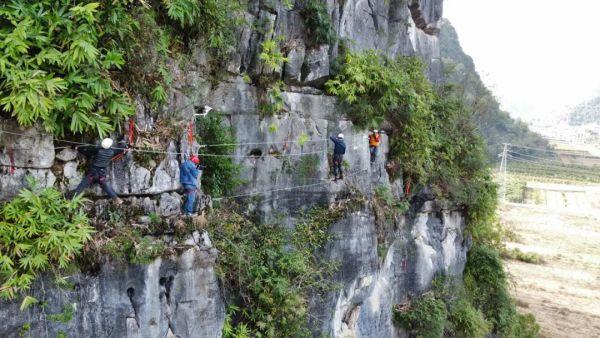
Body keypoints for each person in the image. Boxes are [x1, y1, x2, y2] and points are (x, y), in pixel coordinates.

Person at [72, 138, 126, 204]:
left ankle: (72, 199)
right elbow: (121, 148)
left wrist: (77, 148)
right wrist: (123, 144)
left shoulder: (98, 150)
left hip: (93, 173)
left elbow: (86, 152)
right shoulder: (113, 151)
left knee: (82, 185)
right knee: (104, 185)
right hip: (101, 174)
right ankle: (116, 199)